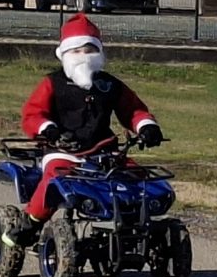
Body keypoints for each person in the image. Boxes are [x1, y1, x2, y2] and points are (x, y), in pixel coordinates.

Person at [9, 14, 164, 238]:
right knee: (54, 179)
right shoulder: (53, 83)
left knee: (138, 178)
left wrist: (146, 126)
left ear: (99, 52)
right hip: (63, 150)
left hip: (106, 152)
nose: (83, 56)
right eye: (76, 51)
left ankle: (135, 225)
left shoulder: (110, 84)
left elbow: (133, 110)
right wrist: (47, 129)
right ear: (64, 54)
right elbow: (33, 113)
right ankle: (31, 221)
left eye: (89, 50)